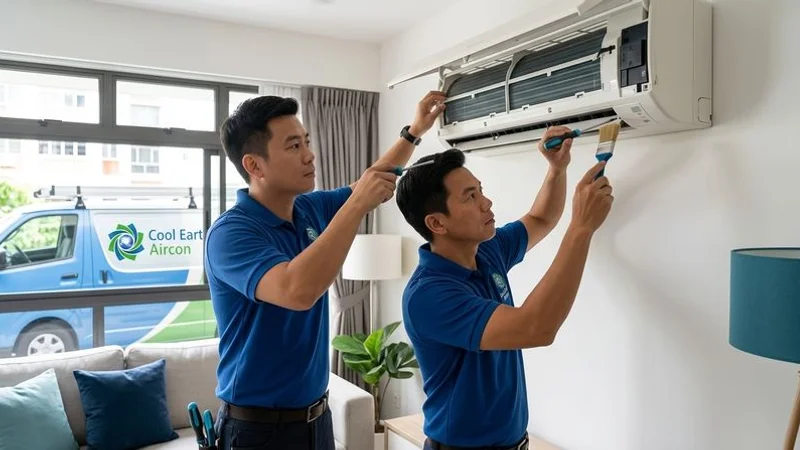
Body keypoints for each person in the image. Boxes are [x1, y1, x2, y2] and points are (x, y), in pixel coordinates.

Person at [205, 91, 446, 450]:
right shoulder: (231, 233)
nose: (309, 155)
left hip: (316, 419)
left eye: (307, 142)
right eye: (293, 146)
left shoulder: (307, 209)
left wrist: (414, 131)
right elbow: (296, 291)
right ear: (254, 166)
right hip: (257, 431)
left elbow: (372, 179)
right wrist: (356, 205)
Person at [395, 127, 614, 450]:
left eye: (480, 190)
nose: (487, 202)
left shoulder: (486, 251)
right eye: (471, 196)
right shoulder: (429, 295)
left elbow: (540, 218)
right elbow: (537, 327)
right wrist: (581, 229)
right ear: (437, 223)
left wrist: (557, 169)